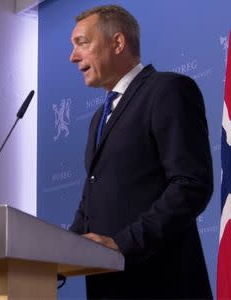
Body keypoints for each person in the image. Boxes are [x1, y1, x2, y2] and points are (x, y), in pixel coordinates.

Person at [68, 5, 213, 299]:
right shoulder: (99, 118)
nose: (73, 56)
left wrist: (123, 244)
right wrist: (55, 252)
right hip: (107, 285)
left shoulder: (168, 90)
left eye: (82, 43)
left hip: (161, 283)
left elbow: (190, 184)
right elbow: (90, 199)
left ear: (117, 43)